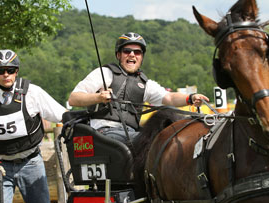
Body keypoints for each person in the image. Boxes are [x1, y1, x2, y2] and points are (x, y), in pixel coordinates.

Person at [68, 32, 209, 144]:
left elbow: (169, 98)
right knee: (151, 142)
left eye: (137, 52)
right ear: (118, 55)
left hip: (130, 132)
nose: (132, 55)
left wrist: (190, 98)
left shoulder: (144, 83)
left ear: (141, 57)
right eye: (127, 51)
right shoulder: (105, 73)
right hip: (103, 133)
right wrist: (98, 97)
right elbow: (73, 99)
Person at [0, 49, 66, 203]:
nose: (6, 75)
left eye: (11, 70)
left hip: (31, 163)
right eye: (0, 70)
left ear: (17, 71)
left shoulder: (32, 93)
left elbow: (62, 115)